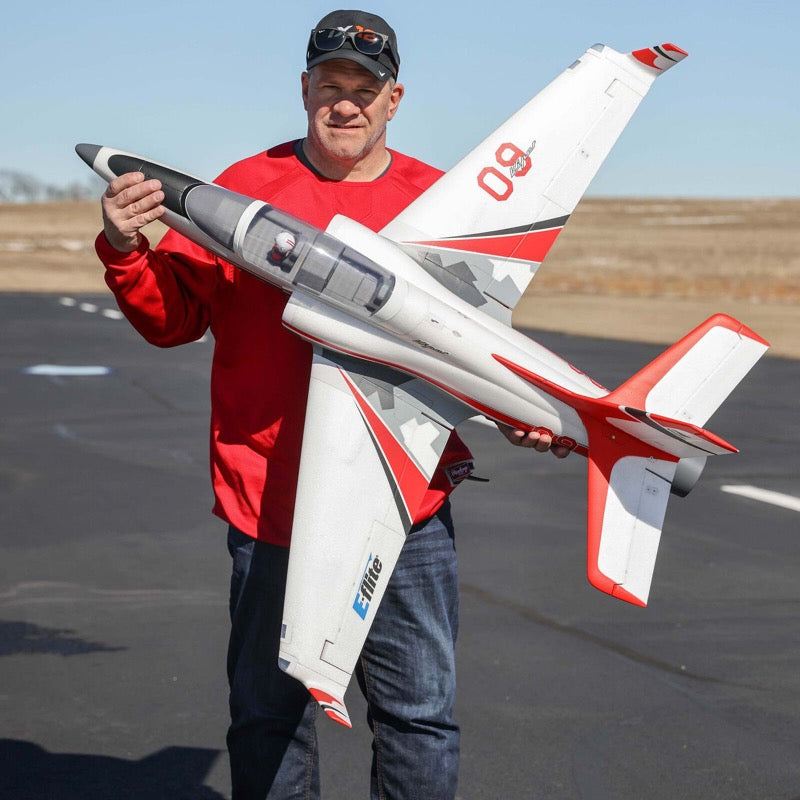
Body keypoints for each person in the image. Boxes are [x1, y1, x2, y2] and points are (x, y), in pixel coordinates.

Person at [94, 10, 569, 799]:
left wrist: (527, 410)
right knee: (266, 718)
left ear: (393, 99)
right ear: (304, 89)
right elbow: (172, 320)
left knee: (419, 716)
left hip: (403, 502)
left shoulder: (442, 200)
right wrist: (123, 249)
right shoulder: (242, 189)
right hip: (270, 503)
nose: (345, 104)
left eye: (364, 89)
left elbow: (474, 345)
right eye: (330, 86)